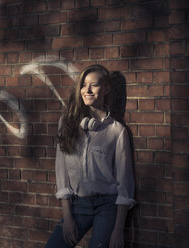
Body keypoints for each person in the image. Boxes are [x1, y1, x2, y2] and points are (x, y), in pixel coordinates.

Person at [45, 64, 136, 248]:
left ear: (106, 88)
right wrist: (68, 217)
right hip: (78, 205)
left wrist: (118, 229)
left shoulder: (117, 131)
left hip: (107, 207)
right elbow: (61, 172)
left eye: (93, 85)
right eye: (83, 85)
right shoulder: (67, 123)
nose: (87, 90)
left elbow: (124, 184)